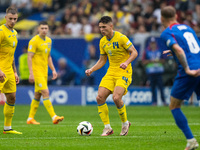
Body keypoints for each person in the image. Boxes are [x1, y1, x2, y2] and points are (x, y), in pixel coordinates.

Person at [85, 16, 138, 136]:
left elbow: (134, 52)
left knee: (116, 98)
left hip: (123, 72)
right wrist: (92, 69)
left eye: (104, 27)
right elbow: (102, 60)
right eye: (100, 27)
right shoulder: (102, 41)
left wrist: (126, 62)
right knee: (99, 97)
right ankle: (107, 128)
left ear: (111, 26)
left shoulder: (121, 38)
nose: (102, 30)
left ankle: (125, 123)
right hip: (111, 72)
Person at [161, 6, 200, 150]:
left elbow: (178, 49)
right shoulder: (188, 28)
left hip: (188, 72)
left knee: (174, 105)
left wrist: (187, 69)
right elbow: (193, 48)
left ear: (162, 19)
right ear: (176, 16)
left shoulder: (167, 32)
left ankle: (191, 140)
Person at [27, 21, 64, 125]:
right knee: (46, 93)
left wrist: (53, 70)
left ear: (48, 29)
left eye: (45, 28)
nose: (44, 30)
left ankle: (30, 118)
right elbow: (29, 57)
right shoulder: (34, 41)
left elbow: (48, 56)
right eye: (42, 28)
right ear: (38, 29)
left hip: (44, 72)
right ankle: (54, 116)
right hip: (36, 72)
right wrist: (31, 73)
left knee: (37, 95)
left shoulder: (49, 40)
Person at [0, 7, 22, 134]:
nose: (13, 21)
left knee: (12, 97)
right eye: (10, 19)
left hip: (9, 70)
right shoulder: (1, 31)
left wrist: (14, 71)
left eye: (15, 19)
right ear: (5, 18)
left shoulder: (14, 33)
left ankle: (7, 128)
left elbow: (11, 54)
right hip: (0, 70)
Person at [142, 37, 166, 106]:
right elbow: (143, 61)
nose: (153, 45)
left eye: (154, 43)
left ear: (155, 43)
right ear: (150, 44)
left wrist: (158, 61)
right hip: (151, 72)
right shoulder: (146, 51)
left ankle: (163, 101)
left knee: (161, 88)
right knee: (152, 88)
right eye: (152, 43)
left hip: (159, 72)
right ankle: (154, 102)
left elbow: (164, 60)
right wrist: (150, 61)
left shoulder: (159, 50)